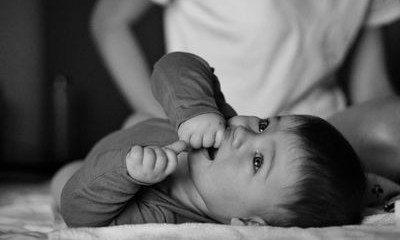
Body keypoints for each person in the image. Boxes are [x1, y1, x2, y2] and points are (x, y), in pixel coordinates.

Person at [59, 52, 366, 228]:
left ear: (249, 223)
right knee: (142, 119)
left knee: (62, 185)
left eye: (257, 161)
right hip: (141, 128)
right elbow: (172, 65)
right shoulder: (215, 120)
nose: (242, 133)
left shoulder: (162, 217)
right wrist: (195, 110)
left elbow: (77, 210)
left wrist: (128, 172)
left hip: (98, 166)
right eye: (262, 125)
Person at [90, 0, 400, 126]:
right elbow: (110, 21)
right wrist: (173, 123)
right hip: (213, 136)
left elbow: (371, 89)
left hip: (315, 139)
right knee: (134, 135)